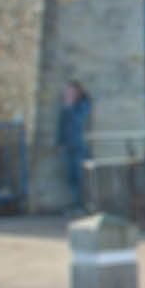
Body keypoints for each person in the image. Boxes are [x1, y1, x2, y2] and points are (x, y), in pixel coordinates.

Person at [56, 80, 91, 214]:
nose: (67, 94)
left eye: (70, 91)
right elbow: (61, 125)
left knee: (80, 176)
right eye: (66, 91)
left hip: (80, 146)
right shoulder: (66, 106)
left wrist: (69, 108)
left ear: (77, 92)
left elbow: (79, 122)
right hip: (68, 146)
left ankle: (83, 205)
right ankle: (76, 204)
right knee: (70, 177)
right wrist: (60, 142)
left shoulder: (83, 104)